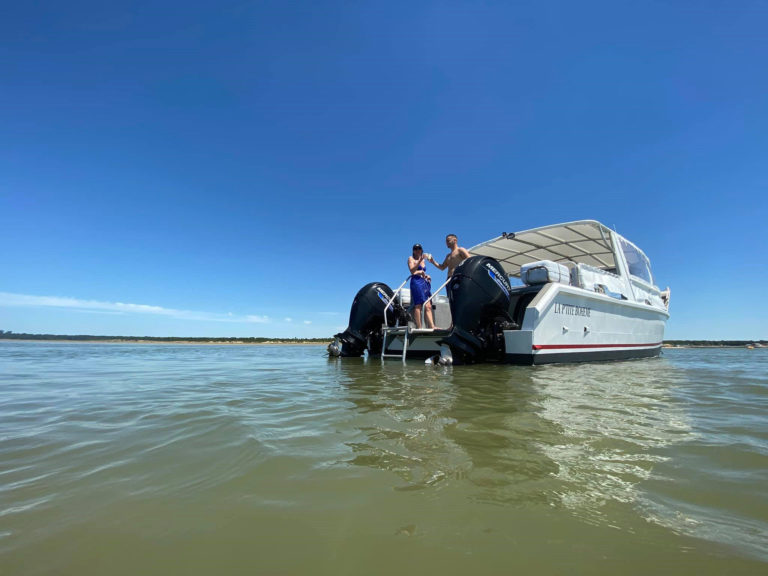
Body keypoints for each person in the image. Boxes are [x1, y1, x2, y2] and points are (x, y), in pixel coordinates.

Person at [408, 243, 435, 329]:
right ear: (413, 251)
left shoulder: (424, 260)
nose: (417, 250)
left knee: (428, 305)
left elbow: (422, 272)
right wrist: (419, 262)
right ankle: (419, 327)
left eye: (419, 248)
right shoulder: (411, 258)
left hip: (423, 282)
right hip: (416, 282)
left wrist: (426, 276)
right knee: (418, 305)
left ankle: (432, 326)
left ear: (421, 250)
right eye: (415, 249)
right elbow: (412, 271)